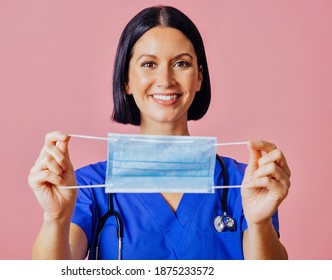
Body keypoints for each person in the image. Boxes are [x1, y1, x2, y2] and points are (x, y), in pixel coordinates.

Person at [28, 5, 291, 260]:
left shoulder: (244, 184)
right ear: (126, 81)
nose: (165, 80)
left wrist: (259, 223)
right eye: (149, 64)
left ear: (199, 78)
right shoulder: (89, 187)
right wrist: (56, 218)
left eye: (181, 63)